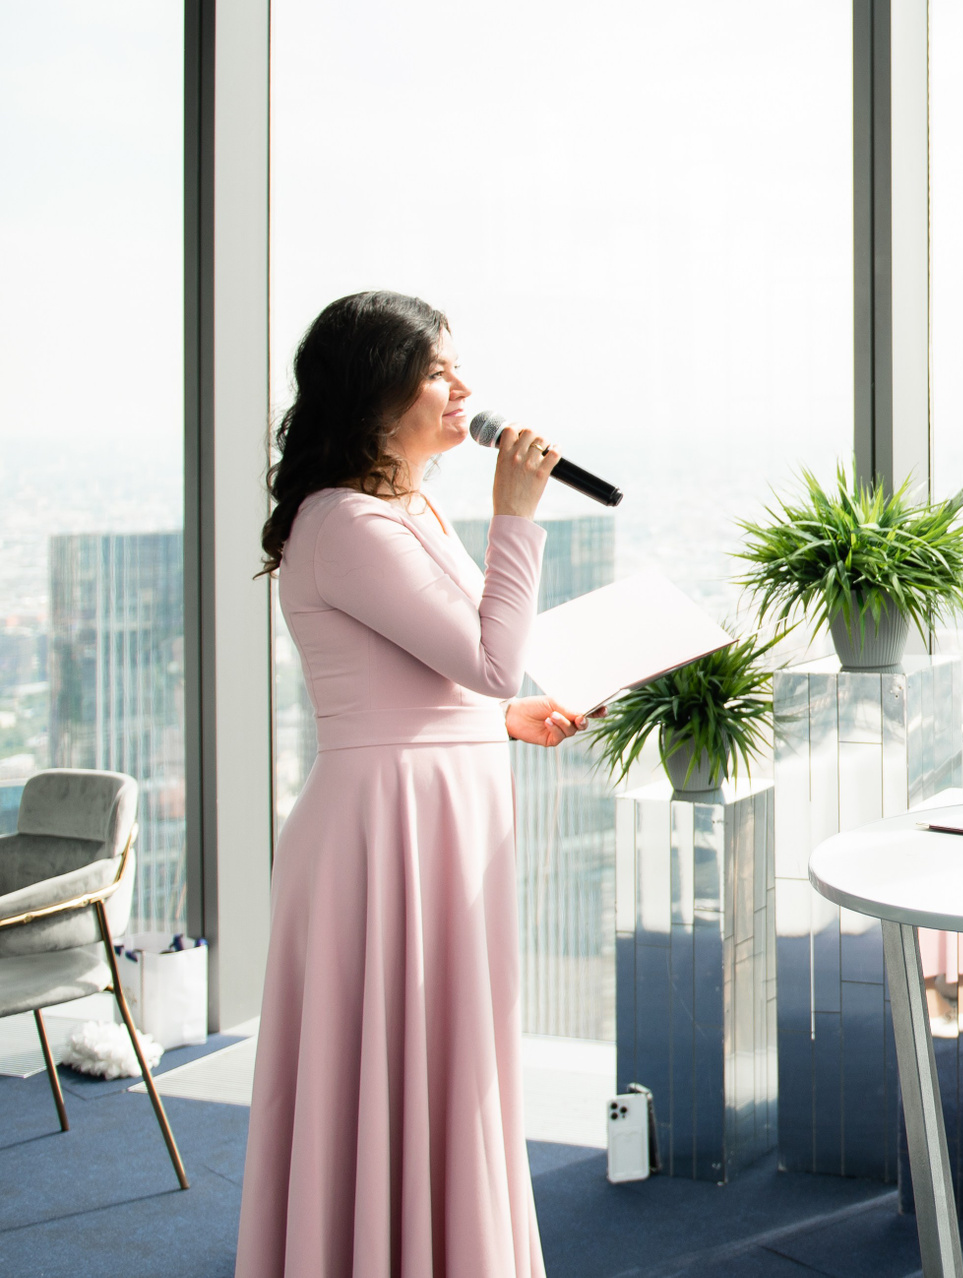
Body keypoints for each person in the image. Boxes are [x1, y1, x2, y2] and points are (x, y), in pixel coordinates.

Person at [236, 291, 583, 1278]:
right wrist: (515, 516)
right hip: (382, 834)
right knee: (393, 1067)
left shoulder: (406, 509)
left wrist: (501, 723)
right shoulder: (344, 521)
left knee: (449, 1066)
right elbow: (491, 660)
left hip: (442, 819)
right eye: (437, 370)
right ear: (374, 391)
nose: (462, 388)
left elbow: (445, 680)